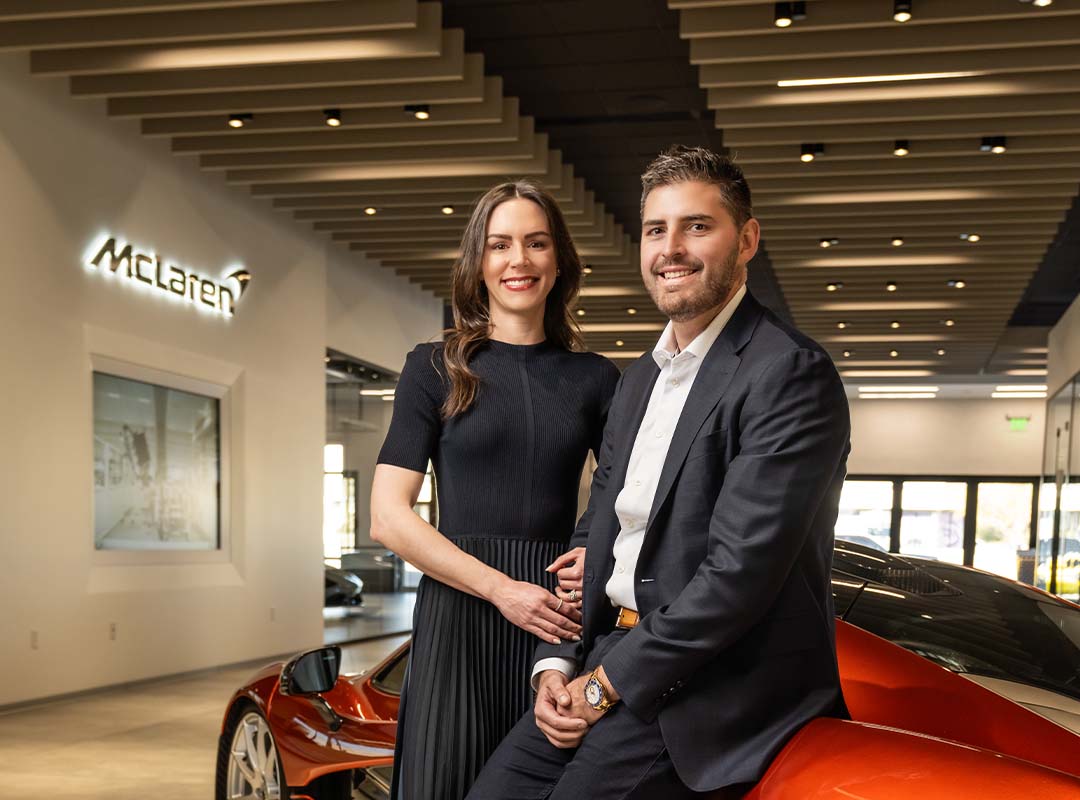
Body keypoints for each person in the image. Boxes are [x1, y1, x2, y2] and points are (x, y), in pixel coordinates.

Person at [467, 146, 851, 799]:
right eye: (655, 230)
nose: (671, 248)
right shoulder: (641, 380)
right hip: (608, 658)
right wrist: (557, 664)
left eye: (697, 226)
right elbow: (596, 531)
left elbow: (739, 578)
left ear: (747, 239)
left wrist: (601, 688)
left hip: (711, 684)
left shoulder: (787, 374)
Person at [370, 180, 621, 800]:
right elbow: (387, 518)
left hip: (557, 618)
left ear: (558, 261)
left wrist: (597, 552)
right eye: (500, 244)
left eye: (536, 244)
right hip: (460, 613)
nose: (519, 261)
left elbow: (628, 497)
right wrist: (501, 589)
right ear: (477, 263)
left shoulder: (595, 378)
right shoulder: (434, 367)